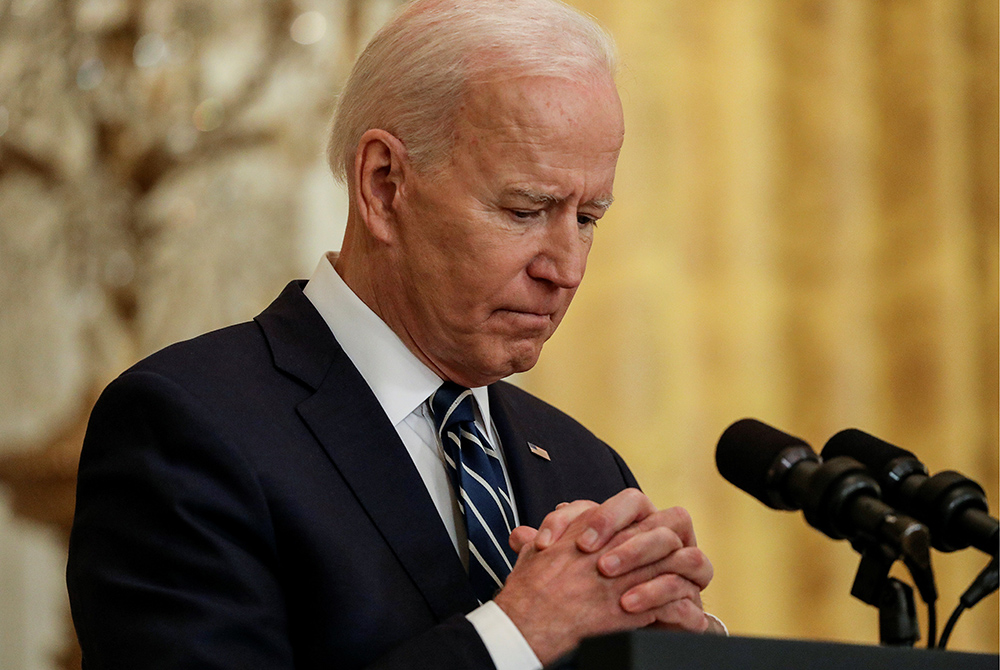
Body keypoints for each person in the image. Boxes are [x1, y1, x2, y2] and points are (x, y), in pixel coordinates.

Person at [67, 1, 723, 669]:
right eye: (526, 210)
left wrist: (677, 656)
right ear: (383, 185)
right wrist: (516, 636)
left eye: (586, 219)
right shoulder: (188, 426)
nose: (566, 269)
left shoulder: (586, 466)